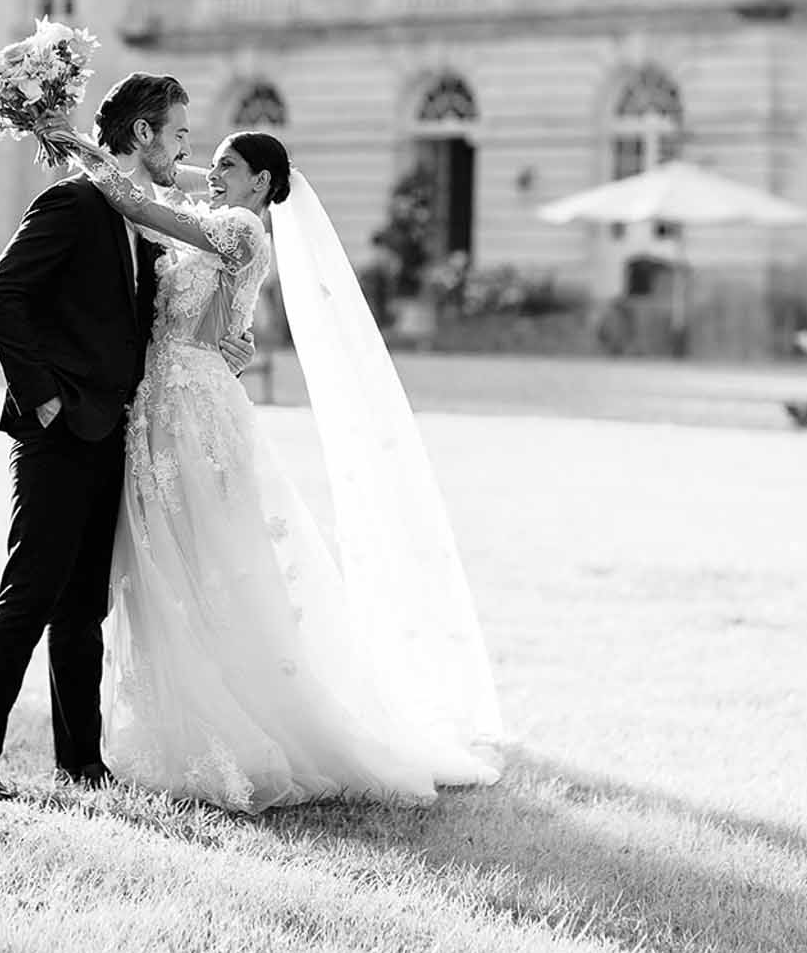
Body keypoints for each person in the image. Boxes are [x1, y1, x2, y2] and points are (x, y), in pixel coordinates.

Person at [59, 126, 503, 813]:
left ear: (262, 183)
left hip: (195, 409)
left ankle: (238, 721)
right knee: (170, 561)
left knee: (208, 558)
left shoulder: (239, 227)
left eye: (230, 166)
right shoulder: (222, 214)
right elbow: (175, 185)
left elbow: (146, 207)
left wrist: (79, 151)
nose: (213, 172)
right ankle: (182, 720)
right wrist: (97, 139)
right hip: (164, 397)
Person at [0, 72, 250, 799]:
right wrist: (44, 399)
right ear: (144, 133)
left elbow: (158, 323)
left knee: (85, 607)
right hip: (58, 432)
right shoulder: (72, 202)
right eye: (178, 132)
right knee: (29, 595)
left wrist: (224, 349)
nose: (186, 148)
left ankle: (81, 764)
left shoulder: (144, 220)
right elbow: (2, 296)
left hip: (118, 432)